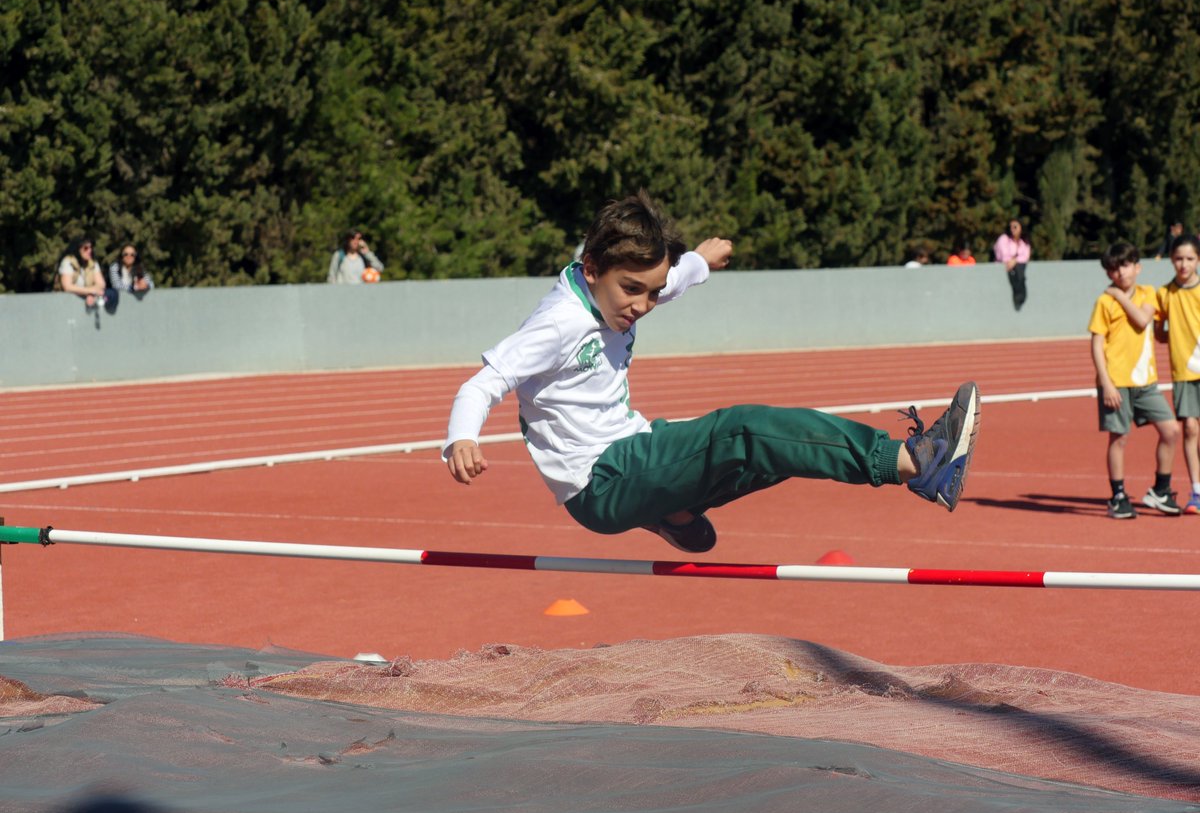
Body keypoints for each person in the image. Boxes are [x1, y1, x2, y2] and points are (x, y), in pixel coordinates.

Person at [443, 191, 981, 553]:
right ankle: (913, 464)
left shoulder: (626, 288)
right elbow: (482, 383)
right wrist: (460, 439)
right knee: (744, 431)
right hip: (600, 480)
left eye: (652, 294)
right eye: (632, 291)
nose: (643, 306)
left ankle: (673, 512)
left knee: (773, 454)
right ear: (591, 271)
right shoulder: (559, 322)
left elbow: (674, 278)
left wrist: (700, 258)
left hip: (634, 445)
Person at [1088, 242, 1180, 519]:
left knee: (1171, 430)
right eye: (1114, 269)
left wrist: (1118, 295)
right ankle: (1118, 496)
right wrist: (1106, 383)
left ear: (1137, 267)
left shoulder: (1147, 293)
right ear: (1108, 273)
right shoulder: (1103, 303)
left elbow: (1142, 320)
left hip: (1146, 383)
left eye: (1125, 266)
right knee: (1119, 439)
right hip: (1116, 382)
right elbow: (1096, 343)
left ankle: (1160, 490)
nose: (1120, 273)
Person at [1154, 233, 1200, 514]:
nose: (1183, 265)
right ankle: (1196, 491)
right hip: (1184, 371)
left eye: (1190, 259)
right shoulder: (1165, 294)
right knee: (1191, 428)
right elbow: (1160, 332)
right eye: (1178, 259)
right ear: (1171, 260)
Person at [56, 237, 107, 308]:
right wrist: (90, 291)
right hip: (65, 304)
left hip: (86, 304)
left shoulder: (93, 263)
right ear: (78, 249)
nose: (89, 250)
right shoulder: (68, 262)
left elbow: (101, 284)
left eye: (91, 247)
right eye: (86, 248)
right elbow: (67, 287)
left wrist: (90, 294)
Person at [994, 218, 1032, 310]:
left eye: (1015, 227)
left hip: (1018, 268)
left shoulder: (1024, 242)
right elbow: (1004, 256)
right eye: (1010, 227)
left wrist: (1015, 260)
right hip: (1004, 268)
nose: (1012, 229)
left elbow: (1025, 256)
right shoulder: (1004, 239)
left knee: (1019, 271)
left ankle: (1020, 295)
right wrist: (1013, 261)